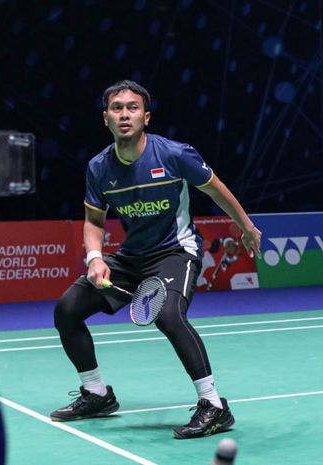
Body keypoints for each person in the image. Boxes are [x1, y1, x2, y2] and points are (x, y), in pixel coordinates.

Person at [50, 80, 262, 439]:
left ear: (145, 117)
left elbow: (216, 188)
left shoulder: (174, 155)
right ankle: (97, 394)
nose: (124, 114)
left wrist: (246, 226)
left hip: (176, 252)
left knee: (168, 315)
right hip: (132, 258)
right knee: (66, 309)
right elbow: (94, 221)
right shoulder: (100, 168)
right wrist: (96, 258)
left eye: (132, 107)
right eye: (117, 108)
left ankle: (214, 406)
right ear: (106, 119)